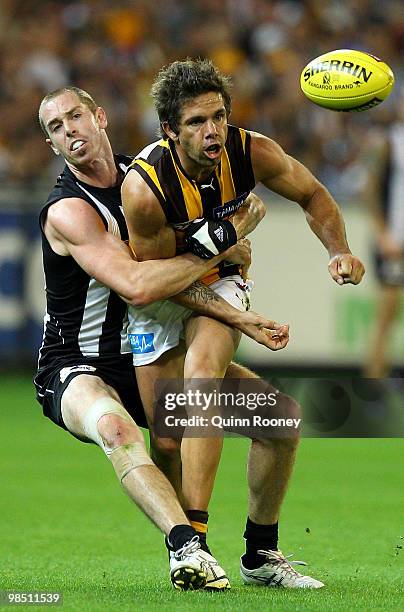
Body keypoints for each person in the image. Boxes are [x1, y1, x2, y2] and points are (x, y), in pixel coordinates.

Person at [33, 86, 290, 592]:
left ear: (100, 116)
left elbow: (201, 268)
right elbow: (139, 285)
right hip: (77, 363)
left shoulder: (147, 180)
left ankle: (260, 556)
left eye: (76, 116)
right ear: (53, 146)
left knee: (280, 424)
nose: (71, 131)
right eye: (56, 128)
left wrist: (234, 297)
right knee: (117, 431)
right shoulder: (68, 210)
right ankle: (185, 548)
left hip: (148, 349)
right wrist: (225, 237)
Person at [122, 58, 365, 589]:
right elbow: (158, 277)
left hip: (223, 278)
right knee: (172, 437)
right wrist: (227, 233)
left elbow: (313, 193)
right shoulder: (144, 189)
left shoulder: (251, 151)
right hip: (160, 296)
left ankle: (217, 549)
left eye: (219, 117)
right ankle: (193, 540)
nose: (213, 131)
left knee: (206, 370)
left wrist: (338, 249)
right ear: (169, 130)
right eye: (195, 122)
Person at [364, 99, 404, 377]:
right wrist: (382, 234)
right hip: (394, 241)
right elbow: (371, 190)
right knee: (387, 312)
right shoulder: (390, 142)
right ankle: (374, 381)